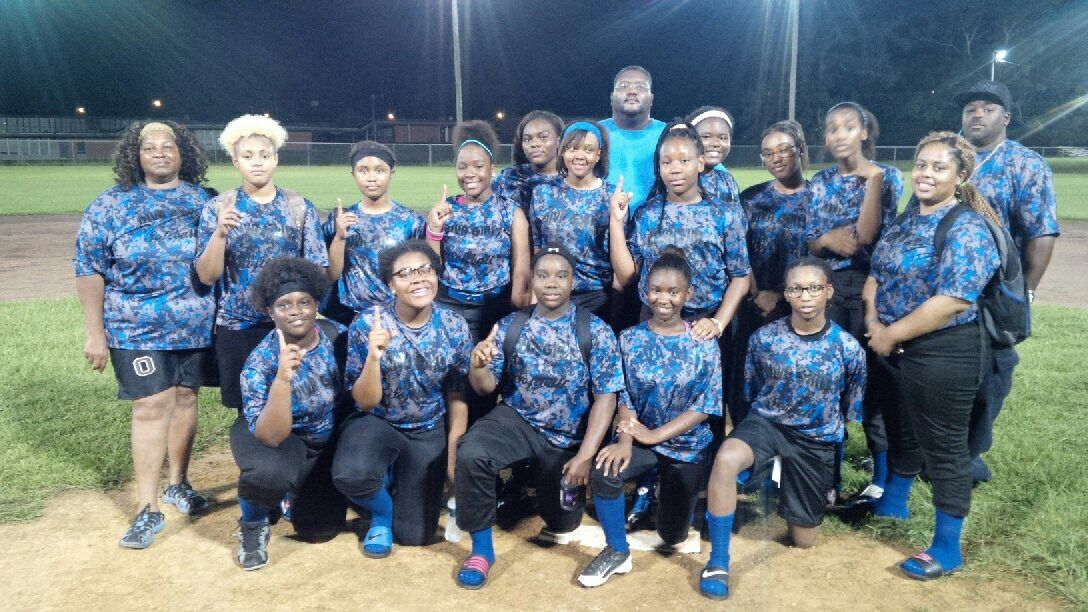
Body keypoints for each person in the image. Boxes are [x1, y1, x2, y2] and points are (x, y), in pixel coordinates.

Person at [863, 131, 1000, 580]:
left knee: (944, 447)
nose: (926, 173)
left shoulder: (966, 225)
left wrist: (891, 333)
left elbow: (954, 300)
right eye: (921, 164)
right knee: (901, 427)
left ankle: (946, 548)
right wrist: (874, 322)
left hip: (944, 350)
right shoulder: (906, 220)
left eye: (939, 167)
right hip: (891, 342)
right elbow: (876, 276)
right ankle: (894, 503)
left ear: (960, 177)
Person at [74, 120, 215, 549]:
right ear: (135, 156)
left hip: (194, 322)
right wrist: (95, 333)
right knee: (152, 405)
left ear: (182, 153)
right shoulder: (111, 205)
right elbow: (88, 269)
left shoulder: (203, 201)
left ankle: (178, 483)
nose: (159, 153)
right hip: (134, 326)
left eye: (167, 146)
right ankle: (147, 508)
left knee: (186, 398)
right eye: (149, 147)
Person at [452, 245, 624, 590]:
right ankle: (482, 551)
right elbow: (485, 389)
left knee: (562, 523)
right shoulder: (510, 326)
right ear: (532, 280)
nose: (552, 283)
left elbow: (606, 399)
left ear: (573, 281)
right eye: (543, 275)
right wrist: (478, 366)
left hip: (568, 433)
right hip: (520, 420)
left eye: (561, 275)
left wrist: (585, 456)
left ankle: (535, 485)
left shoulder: (595, 330)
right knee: (472, 452)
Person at [699, 257, 866, 600]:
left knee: (803, 540)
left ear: (828, 292)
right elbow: (751, 391)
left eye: (813, 288)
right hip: (769, 423)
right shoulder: (763, 339)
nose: (805, 296)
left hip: (814, 437)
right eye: (796, 289)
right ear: (786, 294)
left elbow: (850, 410)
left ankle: (791, 479)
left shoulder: (848, 348)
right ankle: (718, 561)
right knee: (727, 458)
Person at [576, 248, 722, 587]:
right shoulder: (629, 339)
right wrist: (626, 440)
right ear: (645, 290)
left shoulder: (703, 343)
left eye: (673, 292)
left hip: (685, 447)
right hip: (640, 437)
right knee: (607, 468)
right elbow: (624, 395)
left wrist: (654, 436)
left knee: (672, 535)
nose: (663, 298)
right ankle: (617, 551)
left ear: (688, 295)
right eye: (656, 290)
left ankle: (656, 490)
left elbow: (705, 405)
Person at [332, 240, 472, 557]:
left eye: (424, 270)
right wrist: (373, 358)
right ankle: (381, 513)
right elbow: (365, 402)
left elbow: (457, 396)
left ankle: (401, 478)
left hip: (427, 428)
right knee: (352, 474)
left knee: (414, 535)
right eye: (405, 273)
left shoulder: (454, 325)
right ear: (391, 285)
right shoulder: (368, 324)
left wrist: (452, 458)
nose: (418, 278)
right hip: (378, 422)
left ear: (436, 275)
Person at [955, 81, 1060, 483]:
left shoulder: (1024, 163)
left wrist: (1024, 292)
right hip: (943, 285)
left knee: (991, 373)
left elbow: (1041, 232)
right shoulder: (948, 158)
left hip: (993, 292)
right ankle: (928, 450)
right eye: (970, 109)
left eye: (987, 108)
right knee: (938, 370)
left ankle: (968, 456)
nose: (977, 114)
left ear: (1006, 118)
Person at [196, 114, 329, 412]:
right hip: (237, 327)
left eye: (264, 155)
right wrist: (220, 233)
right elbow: (206, 276)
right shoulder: (218, 208)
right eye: (248, 156)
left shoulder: (298, 206)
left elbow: (317, 271)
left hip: (289, 325)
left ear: (275, 159)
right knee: (246, 409)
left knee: (297, 403)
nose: (257, 162)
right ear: (235, 161)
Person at [806, 102, 902, 506]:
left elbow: (866, 236)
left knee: (873, 380)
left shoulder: (887, 176)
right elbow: (812, 241)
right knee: (830, 379)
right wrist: (827, 240)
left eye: (848, 127)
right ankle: (829, 476)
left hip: (869, 286)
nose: (839, 135)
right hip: (828, 287)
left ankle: (881, 478)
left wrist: (873, 179)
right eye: (832, 129)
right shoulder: (820, 181)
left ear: (864, 132)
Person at [232, 257, 345, 570]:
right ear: (270, 312)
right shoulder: (260, 362)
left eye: (304, 302)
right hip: (276, 436)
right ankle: (253, 524)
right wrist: (282, 379)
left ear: (316, 305)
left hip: (322, 439)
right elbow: (270, 436)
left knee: (320, 530)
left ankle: (289, 495)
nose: (295, 311)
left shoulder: (338, 335)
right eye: (284, 305)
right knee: (267, 472)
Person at [426, 120, 531, 420]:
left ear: (492, 169)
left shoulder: (510, 211)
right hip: (453, 307)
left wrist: (518, 308)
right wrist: (434, 229)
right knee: (454, 381)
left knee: (487, 380)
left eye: (478, 166)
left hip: (495, 309)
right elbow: (431, 266)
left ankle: (479, 437)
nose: (469, 173)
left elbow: (521, 266)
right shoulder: (446, 209)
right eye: (462, 167)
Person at [610, 124, 751, 339]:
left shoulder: (725, 214)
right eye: (666, 162)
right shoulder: (647, 214)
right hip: (654, 322)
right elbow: (627, 276)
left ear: (700, 163)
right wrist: (616, 222)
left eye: (684, 161)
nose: (675, 169)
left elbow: (740, 276)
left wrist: (718, 322)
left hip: (705, 322)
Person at [730, 121, 813, 424]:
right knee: (748, 379)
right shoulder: (751, 198)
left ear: (800, 150)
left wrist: (783, 297)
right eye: (768, 153)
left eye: (783, 150)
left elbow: (820, 255)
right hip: (755, 304)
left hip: (801, 304)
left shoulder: (818, 198)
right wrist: (757, 294)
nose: (776, 158)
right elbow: (738, 249)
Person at [321, 140, 425, 325]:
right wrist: (339, 237)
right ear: (353, 174)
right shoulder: (340, 220)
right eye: (363, 171)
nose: (371, 178)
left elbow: (421, 274)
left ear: (391, 173)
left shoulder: (410, 221)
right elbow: (330, 276)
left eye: (379, 170)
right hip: (349, 317)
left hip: (395, 317)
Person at [601, 65, 668, 332]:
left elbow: (709, 171)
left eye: (640, 87)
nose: (631, 91)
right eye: (623, 86)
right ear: (612, 97)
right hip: (598, 250)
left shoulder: (669, 134)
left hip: (654, 250)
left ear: (651, 97)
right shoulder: (595, 133)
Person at [529, 120, 614, 319]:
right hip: (550, 292)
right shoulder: (543, 193)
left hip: (595, 296)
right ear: (562, 151)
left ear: (598, 155)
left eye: (588, 150)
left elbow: (616, 256)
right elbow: (538, 248)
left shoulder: (610, 196)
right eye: (573, 148)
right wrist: (534, 294)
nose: (579, 155)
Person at [492, 110, 564, 215]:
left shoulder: (571, 180)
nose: (534, 144)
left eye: (543, 137)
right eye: (527, 139)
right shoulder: (509, 178)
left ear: (559, 141)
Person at [686, 106, 741, 205]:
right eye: (706, 137)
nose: (715, 143)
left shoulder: (727, 180)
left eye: (723, 138)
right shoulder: (678, 181)